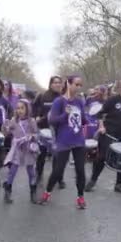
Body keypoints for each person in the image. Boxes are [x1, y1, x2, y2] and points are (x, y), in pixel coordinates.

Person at [85, 76, 121, 194]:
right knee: (101, 158)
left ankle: (119, 184)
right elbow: (100, 114)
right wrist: (101, 126)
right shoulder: (113, 99)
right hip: (109, 134)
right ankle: (93, 180)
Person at [40, 75, 87, 208]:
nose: (78, 87)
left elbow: (83, 120)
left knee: (80, 171)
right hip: (64, 140)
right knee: (58, 170)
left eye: (80, 85)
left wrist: (86, 118)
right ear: (69, 84)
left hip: (78, 140)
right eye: (76, 84)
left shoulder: (79, 101)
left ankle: (80, 197)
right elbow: (52, 121)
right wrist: (65, 114)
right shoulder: (59, 101)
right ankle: (47, 193)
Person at [2, 99, 39, 204]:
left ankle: (33, 191)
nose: (20, 110)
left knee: (31, 171)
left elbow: (36, 134)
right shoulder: (14, 120)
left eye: (22, 108)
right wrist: (5, 126)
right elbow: (6, 132)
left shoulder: (31, 121)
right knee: (12, 170)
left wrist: (31, 136)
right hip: (17, 149)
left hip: (28, 149)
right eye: (18, 108)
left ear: (27, 109)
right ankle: (7, 191)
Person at [32, 76, 63, 183]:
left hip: (58, 130)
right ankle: (38, 175)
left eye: (59, 82)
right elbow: (34, 107)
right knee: (41, 154)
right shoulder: (42, 96)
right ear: (50, 84)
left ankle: (58, 177)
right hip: (44, 129)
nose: (57, 84)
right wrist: (36, 116)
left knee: (57, 156)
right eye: (55, 82)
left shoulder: (63, 97)